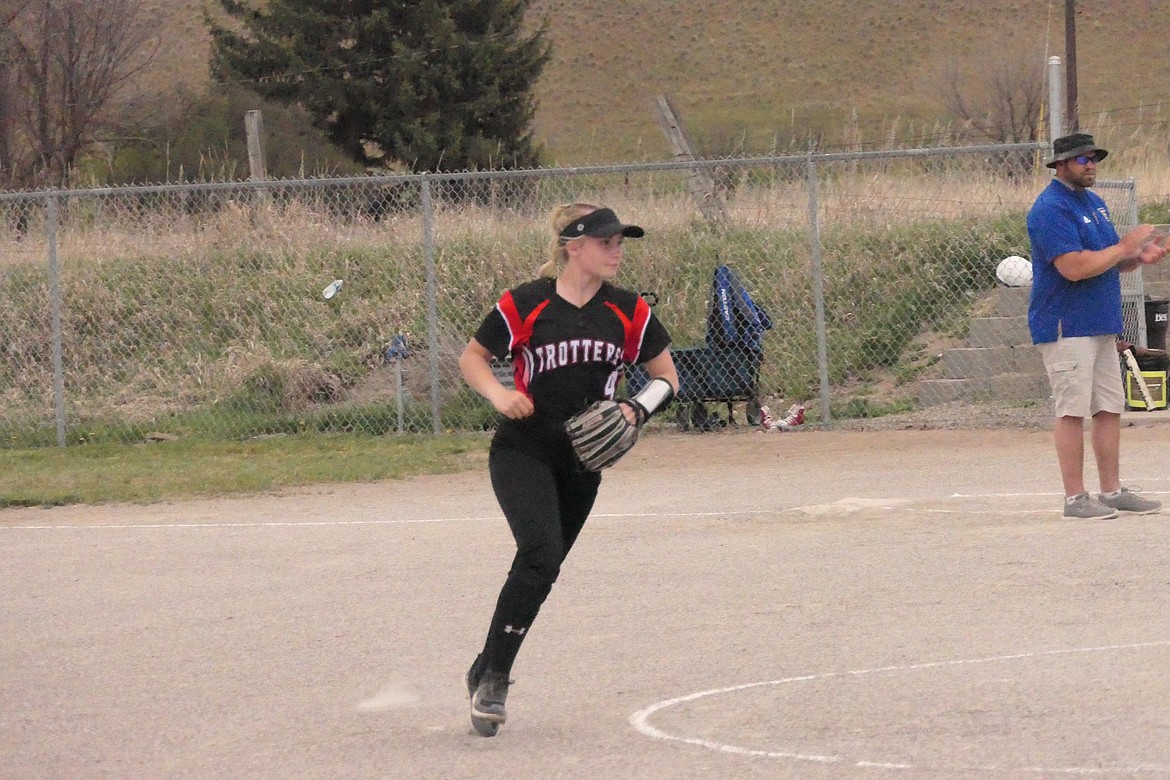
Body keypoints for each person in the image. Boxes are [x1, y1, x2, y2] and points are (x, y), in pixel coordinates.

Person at [457, 203, 679, 736]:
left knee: (542, 567)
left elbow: (667, 376)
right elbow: (472, 357)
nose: (616, 251)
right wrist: (499, 394)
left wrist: (635, 408)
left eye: (620, 242)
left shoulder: (629, 311)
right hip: (523, 450)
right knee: (541, 553)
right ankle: (494, 683)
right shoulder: (525, 303)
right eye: (607, 243)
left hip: (583, 460)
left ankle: (482, 666)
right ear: (572, 247)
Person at [1027, 132, 1169, 519]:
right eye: (1081, 159)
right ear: (1060, 165)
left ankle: (1111, 490)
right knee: (1072, 410)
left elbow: (1107, 260)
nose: (1090, 165)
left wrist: (1139, 259)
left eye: (1093, 158)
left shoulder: (1095, 203)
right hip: (1066, 325)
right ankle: (1075, 499)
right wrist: (1126, 246)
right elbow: (1074, 268)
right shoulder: (1050, 209)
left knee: (1108, 406)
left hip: (1099, 323)